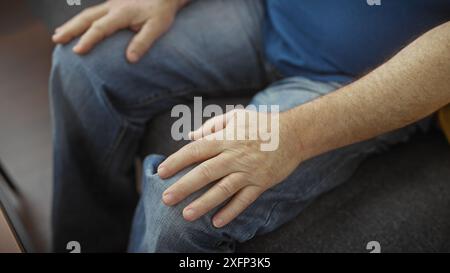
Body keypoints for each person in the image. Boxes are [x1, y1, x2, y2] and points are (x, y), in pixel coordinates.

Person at [50, 0, 450, 252]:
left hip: (371, 75)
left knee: (183, 204)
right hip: (268, 13)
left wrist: (293, 136)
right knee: (82, 62)